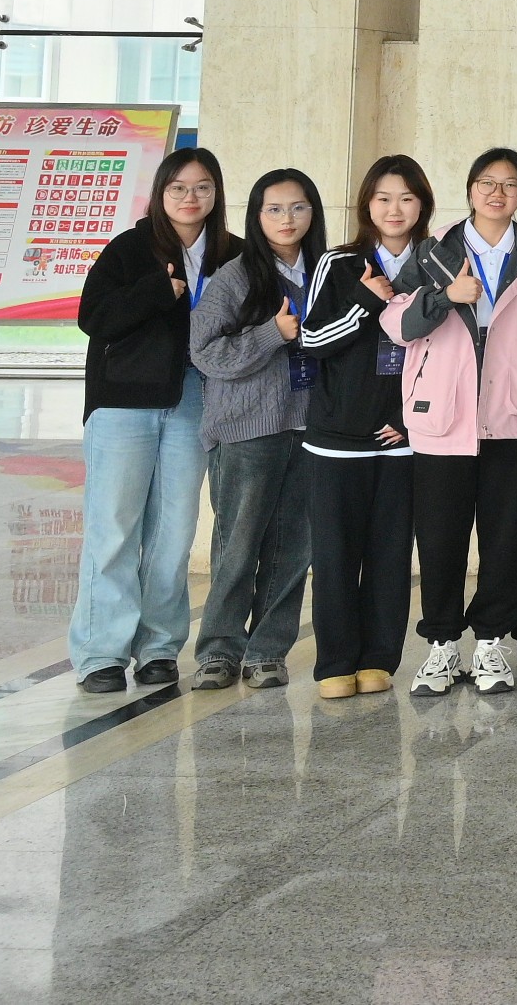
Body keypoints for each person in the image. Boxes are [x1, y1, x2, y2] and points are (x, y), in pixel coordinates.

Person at [384, 148, 517, 697]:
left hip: (512, 418)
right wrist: (445, 297)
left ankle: (491, 643)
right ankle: (442, 646)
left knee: (506, 540)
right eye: (487, 182)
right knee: (440, 541)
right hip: (443, 419)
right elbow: (397, 323)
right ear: (470, 189)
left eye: (510, 185)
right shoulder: (433, 250)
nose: (497, 193)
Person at [71, 146, 236, 694]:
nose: (191, 197)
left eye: (202, 187)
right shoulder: (129, 248)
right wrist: (155, 292)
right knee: (115, 528)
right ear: (161, 193)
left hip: (195, 399)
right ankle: (101, 653)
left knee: (174, 530)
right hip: (123, 403)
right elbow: (93, 318)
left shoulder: (232, 254)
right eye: (179, 187)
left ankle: (160, 647)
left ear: (216, 194)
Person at [186, 167, 329, 690]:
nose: (286, 219)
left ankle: (267, 651)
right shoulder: (237, 276)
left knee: (293, 548)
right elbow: (204, 352)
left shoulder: (328, 271)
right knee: (238, 544)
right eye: (274, 209)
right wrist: (272, 333)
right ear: (256, 216)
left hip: (311, 428)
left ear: (313, 213)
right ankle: (218, 651)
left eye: (298, 207)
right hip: (246, 429)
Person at [296, 155, 429, 698]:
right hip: (336, 440)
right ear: (366, 205)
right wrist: (366, 303)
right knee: (333, 557)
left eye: (406, 198)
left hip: (402, 441)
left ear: (422, 205)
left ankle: (378, 658)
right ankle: (334, 663)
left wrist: (409, 418)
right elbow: (311, 340)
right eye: (383, 198)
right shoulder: (340, 263)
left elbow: (450, 355)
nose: (395, 209)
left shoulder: (436, 265)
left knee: (391, 556)